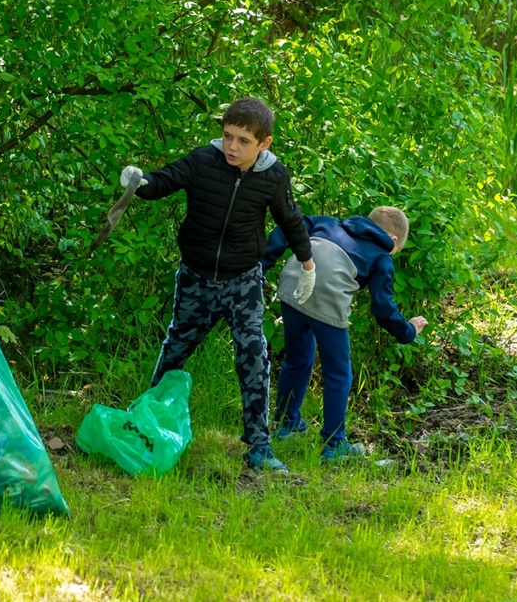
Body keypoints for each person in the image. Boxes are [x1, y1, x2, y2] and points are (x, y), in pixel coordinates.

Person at [121, 97, 316, 472]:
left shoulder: (274, 177)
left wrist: (307, 265)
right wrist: (138, 181)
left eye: (243, 140)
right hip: (195, 276)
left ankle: (259, 446)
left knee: (253, 355)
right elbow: (163, 181)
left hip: (242, 280)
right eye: (227, 136)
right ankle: (145, 423)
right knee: (176, 348)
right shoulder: (202, 160)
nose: (231, 146)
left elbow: (291, 220)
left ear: (264, 144)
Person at [261, 207, 428, 462]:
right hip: (328, 297)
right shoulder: (381, 256)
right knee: (338, 374)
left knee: (297, 358)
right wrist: (408, 331)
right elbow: (383, 309)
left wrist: (262, 264)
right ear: (394, 240)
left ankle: (285, 424)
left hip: (293, 284)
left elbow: (289, 226)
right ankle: (334, 445)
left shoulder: (327, 223)